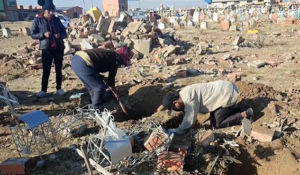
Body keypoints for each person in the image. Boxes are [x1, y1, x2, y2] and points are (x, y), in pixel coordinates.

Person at [162, 80, 254, 134]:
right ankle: (242, 108)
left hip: (227, 94)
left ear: (175, 102)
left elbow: (189, 120)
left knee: (217, 124)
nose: (176, 110)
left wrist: (177, 131)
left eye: (174, 108)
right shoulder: (183, 93)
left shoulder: (189, 98)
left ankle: (244, 114)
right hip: (223, 90)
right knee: (216, 117)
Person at [31, 0, 67, 97]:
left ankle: (59, 88)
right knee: (46, 69)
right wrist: (43, 35)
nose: (51, 13)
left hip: (58, 48)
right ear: (44, 11)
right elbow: (33, 34)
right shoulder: (38, 20)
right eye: (49, 11)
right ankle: (43, 90)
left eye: (52, 10)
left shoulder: (56, 19)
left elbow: (64, 33)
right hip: (46, 49)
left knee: (58, 69)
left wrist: (60, 35)